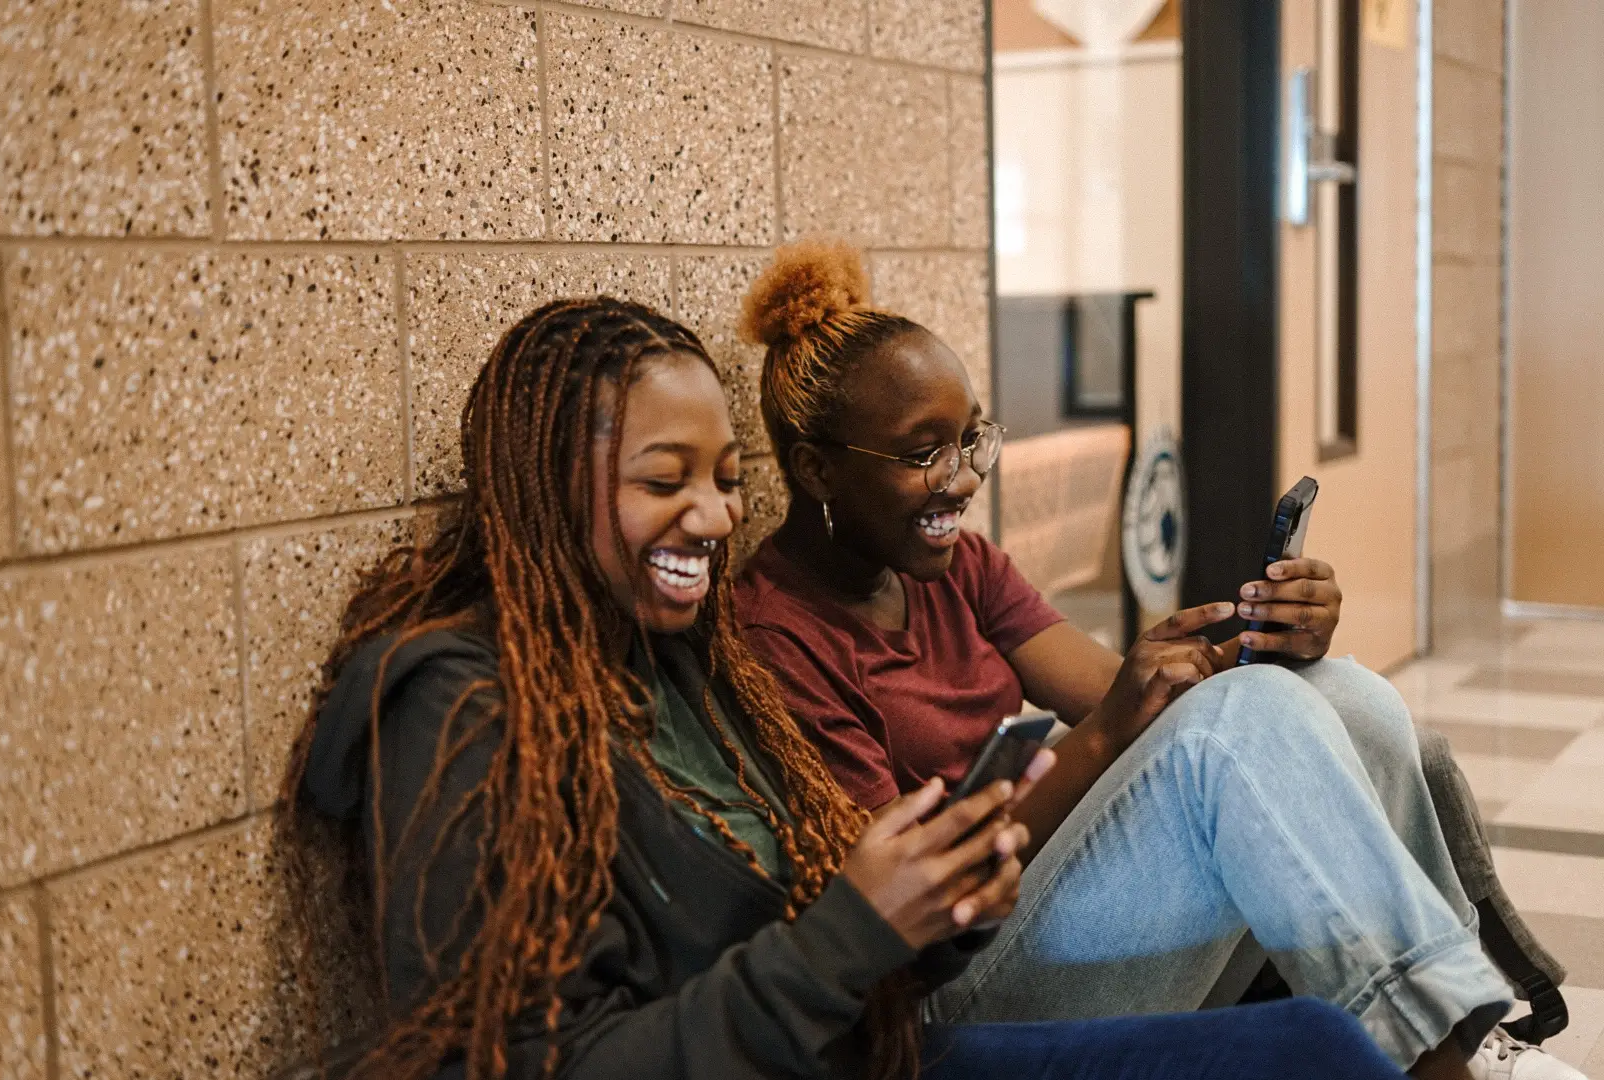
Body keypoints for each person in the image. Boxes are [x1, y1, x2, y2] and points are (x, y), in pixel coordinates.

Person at [279, 297, 1414, 1080]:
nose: (718, 517)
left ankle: (1457, 1019)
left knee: (1313, 1030)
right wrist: (853, 933)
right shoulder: (459, 713)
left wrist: (948, 888)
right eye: (662, 481)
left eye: (726, 480)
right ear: (541, 488)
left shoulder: (686, 660)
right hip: (849, 1045)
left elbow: (846, 934)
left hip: (870, 1038)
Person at [731, 240, 1581, 1080]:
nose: (963, 480)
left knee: (1344, 694)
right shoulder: (778, 641)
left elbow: (1142, 709)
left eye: (970, 440)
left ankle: (1460, 1035)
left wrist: (1279, 642)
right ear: (816, 471)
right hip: (949, 990)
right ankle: (1436, 1061)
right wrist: (1104, 735)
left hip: (1046, 908)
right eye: (925, 455)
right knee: (1242, 723)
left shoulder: (959, 570)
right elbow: (912, 893)